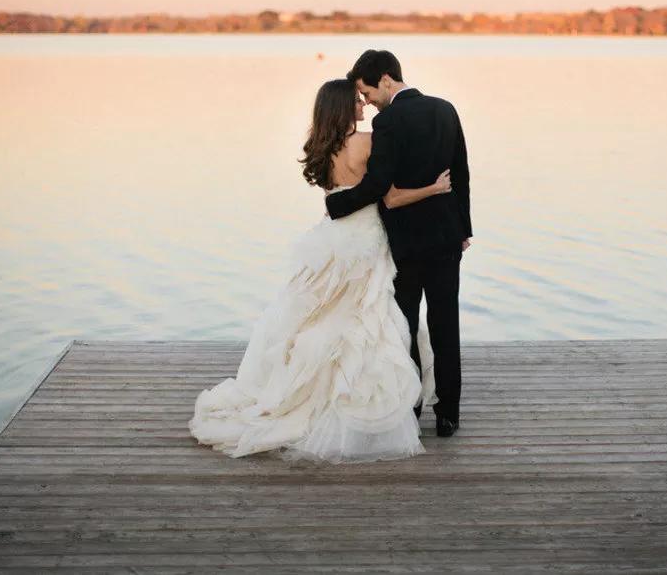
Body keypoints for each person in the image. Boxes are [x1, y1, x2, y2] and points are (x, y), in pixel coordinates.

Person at [188, 78, 446, 463]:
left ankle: (307, 395)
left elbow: (337, 199)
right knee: (366, 318)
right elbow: (389, 191)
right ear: (344, 107)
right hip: (365, 239)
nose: (363, 105)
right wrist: (434, 187)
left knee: (320, 316)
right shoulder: (365, 141)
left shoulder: (322, 148)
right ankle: (350, 408)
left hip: (332, 239)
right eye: (357, 101)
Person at [325, 50, 471, 438]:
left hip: (404, 241)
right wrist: (464, 228)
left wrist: (335, 203)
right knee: (445, 323)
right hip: (446, 237)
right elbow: (462, 172)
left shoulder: (388, 122)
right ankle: (449, 413)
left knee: (403, 326)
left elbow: (377, 186)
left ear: (385, 79)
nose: (368, 101)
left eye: (367, 91)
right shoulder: (446, 109)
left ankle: (411, 406)